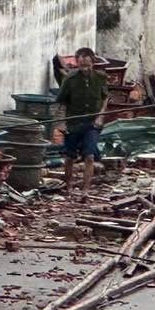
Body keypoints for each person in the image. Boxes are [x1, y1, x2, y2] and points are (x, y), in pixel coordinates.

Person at [54, 47, 111, 198]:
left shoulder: (100, 78)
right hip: (73, 122)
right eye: (81, 65)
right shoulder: (70, 79)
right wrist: (61, 122)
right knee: (70, 157)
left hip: (92, 123)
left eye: (87, 64)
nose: (84, 68)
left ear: (93, 63)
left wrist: (100, 116)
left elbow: (105, 97)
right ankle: (68, 187)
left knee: (89, 156)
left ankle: (85, 191)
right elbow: (61, 101)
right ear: (77, 63)